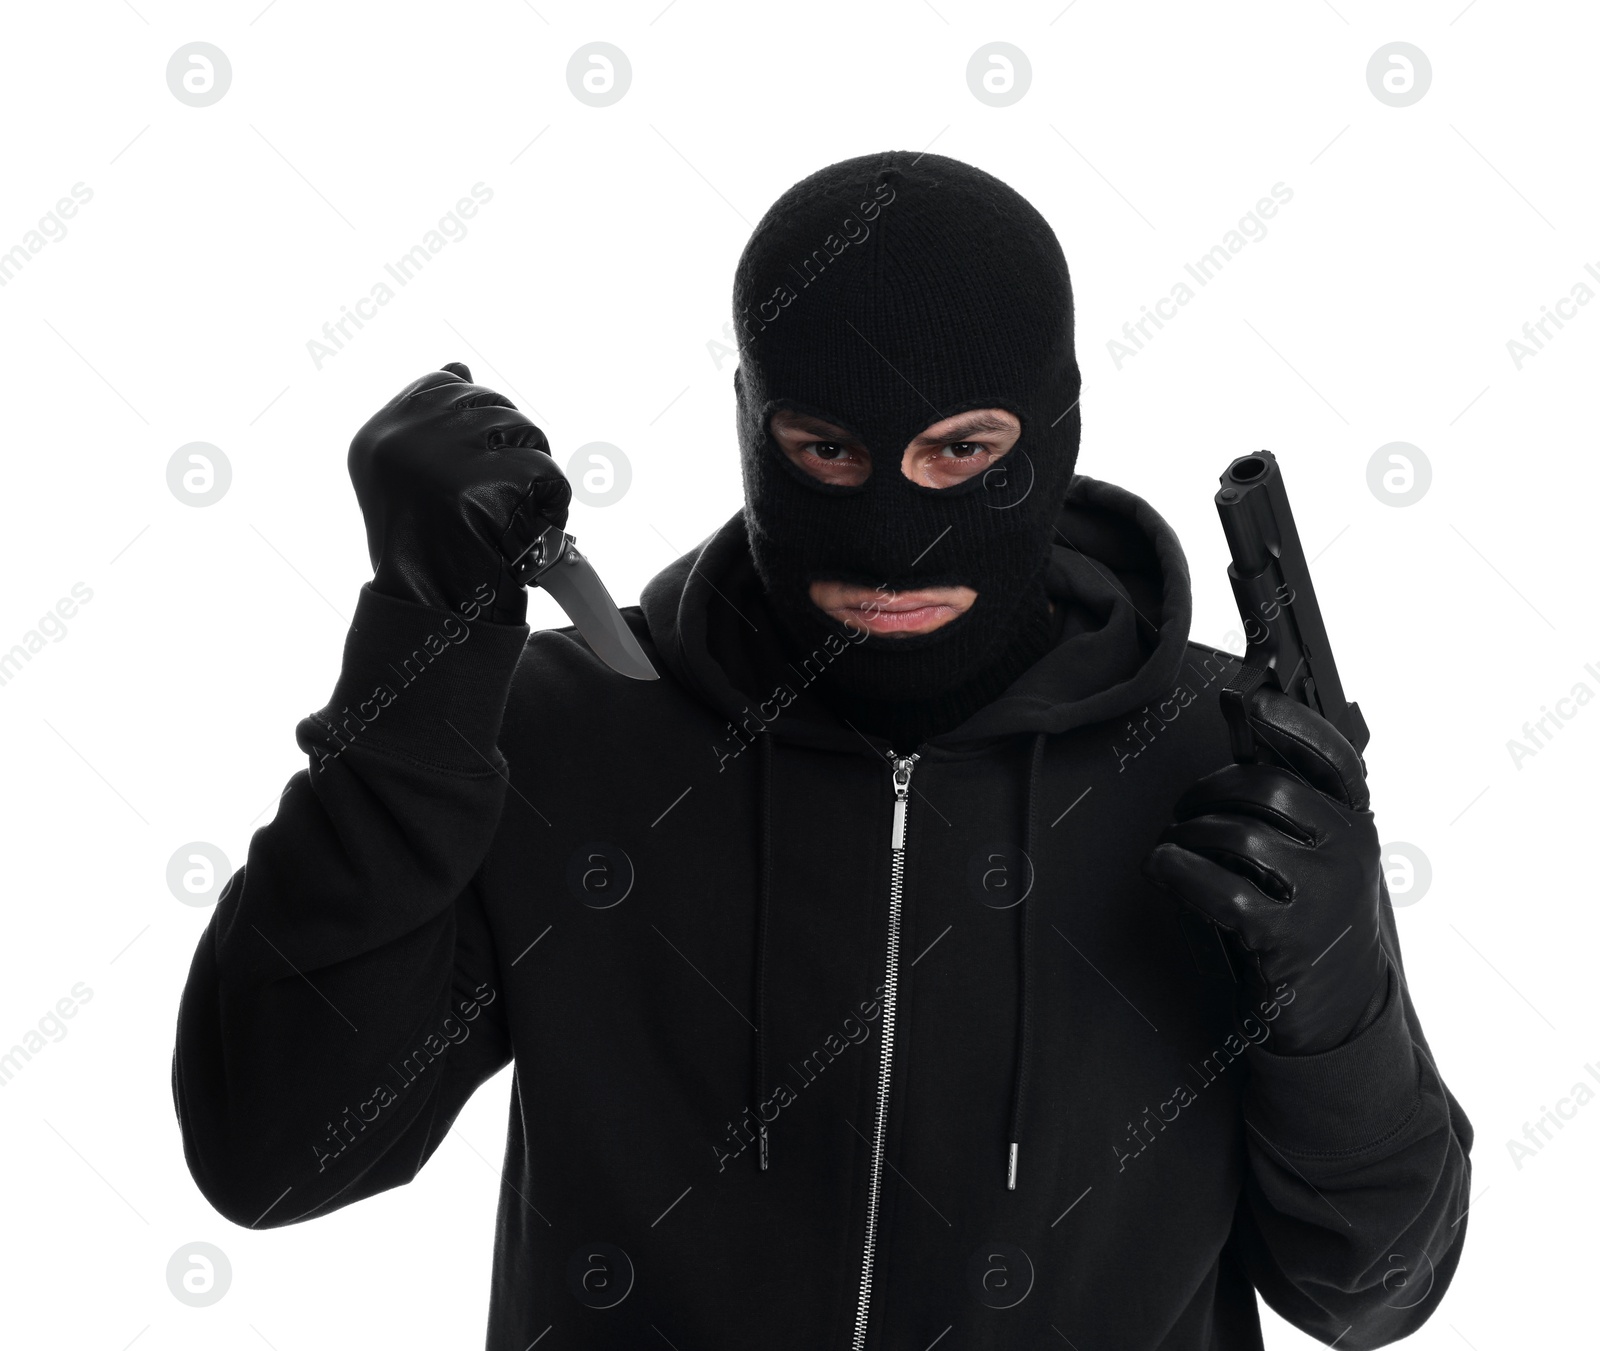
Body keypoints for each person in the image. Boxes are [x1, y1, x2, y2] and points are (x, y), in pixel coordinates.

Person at [172, 151, 1472, 1350]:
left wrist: (1334, 1005)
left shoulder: (1224, 760)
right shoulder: (562, 728)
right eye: (827, 450)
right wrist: (425, 657)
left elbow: (1371, 1289)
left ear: (1056, 428)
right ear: (751, 426)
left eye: (962, 451)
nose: (896, 536)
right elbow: (273, 1149)